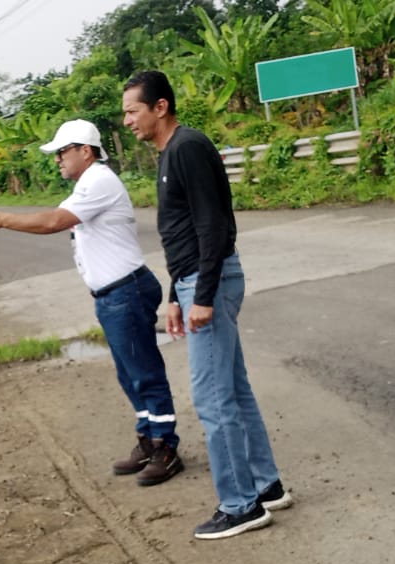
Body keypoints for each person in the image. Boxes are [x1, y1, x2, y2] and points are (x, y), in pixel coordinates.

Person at [121, 71, 294, 540]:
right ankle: (266, 485)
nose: (127, 121)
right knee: (233, 390)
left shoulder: (188, 148)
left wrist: (201, 296)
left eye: (133, 111)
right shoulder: (170, 153)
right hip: (195, 281)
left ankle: (240, 506)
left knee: (213, 399)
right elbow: (182, 233)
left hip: (208, 281)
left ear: (160, 107)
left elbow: (213, 226)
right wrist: (177, 295)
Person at [0, 119, 184, 486]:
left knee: (144, 372)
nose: (58, 160)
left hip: (125, 291)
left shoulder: (99, 181)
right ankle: (149, 438)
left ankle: (166, 448)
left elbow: (53, 221)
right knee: (129, 373)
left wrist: (3, 218)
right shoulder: (86, 184)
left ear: (86, 151)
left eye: (62, 152)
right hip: (114, 294)